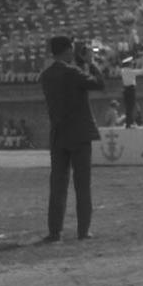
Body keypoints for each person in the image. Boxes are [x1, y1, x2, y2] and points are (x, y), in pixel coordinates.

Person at [39, 35, 105, 241]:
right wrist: (90, 63)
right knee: (82, 185)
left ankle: (54, 231)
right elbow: (99, 84)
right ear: (67, 50)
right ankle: (83, 230)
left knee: (57, 185)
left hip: (58, 134)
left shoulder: (46, 75)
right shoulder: (73, 72)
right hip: (79, 133)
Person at [119, 52, 143, 128]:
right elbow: (141, 72)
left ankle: (129, 122)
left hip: (125, 89)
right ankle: (129, 123)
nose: (132, 64)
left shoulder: (123, 70)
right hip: (131, 89)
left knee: (129, 107)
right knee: (131, 106)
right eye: (131, 63)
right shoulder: (129, 71)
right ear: (128, 64)